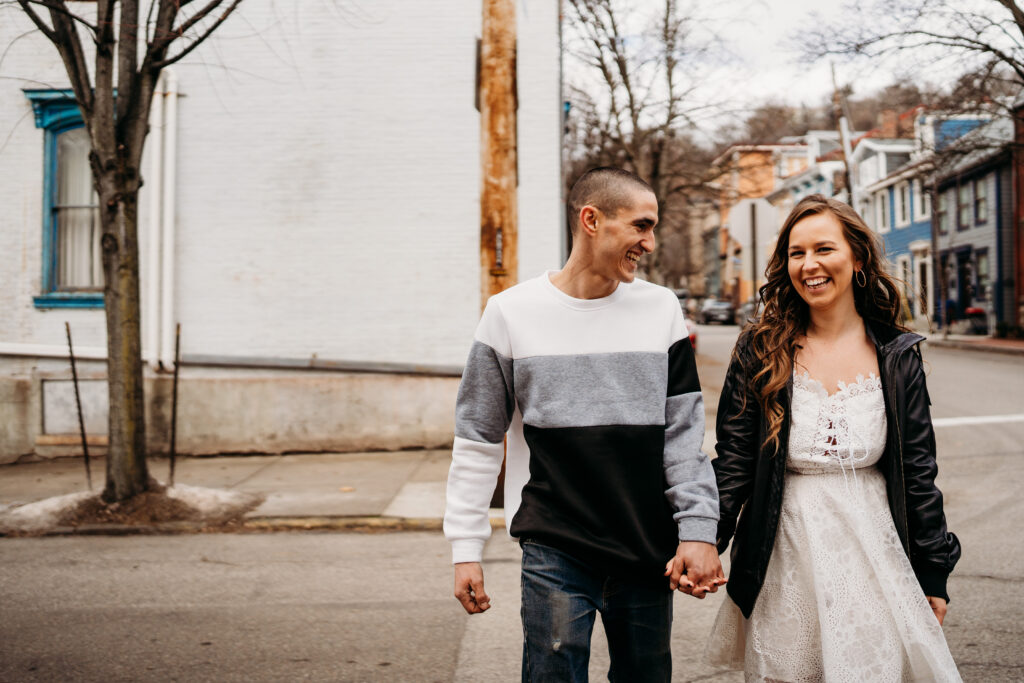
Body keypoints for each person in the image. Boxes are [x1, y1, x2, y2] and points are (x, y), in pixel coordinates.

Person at [444, 167, 725, 682]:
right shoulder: (509, 313)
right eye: (640, 226)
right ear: (591, 220)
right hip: (556, 544)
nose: (650, 242)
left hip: (645, 547)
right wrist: (466, 548)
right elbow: (478, 439)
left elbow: (683, 437)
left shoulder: (661, 308)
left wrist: (698, 531)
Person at [706, 195, 962, 681]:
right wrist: (701, 542)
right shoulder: (760, 348)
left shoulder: (897, 354)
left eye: (824, 248)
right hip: (784, 554)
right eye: (796, 253)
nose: (809, 265)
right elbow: (734, 462)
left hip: (874, 555)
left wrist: (933, 574)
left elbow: (920, 474)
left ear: (857, 258)